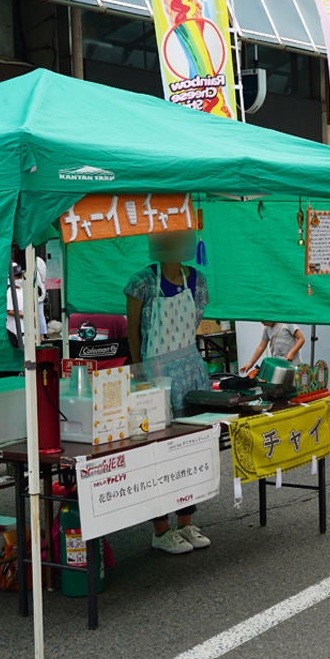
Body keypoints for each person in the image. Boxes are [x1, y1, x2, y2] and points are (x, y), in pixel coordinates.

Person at [125, 230, 212, 554]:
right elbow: (133, 331)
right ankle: (160, 529)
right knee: (158, 453)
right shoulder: (141, 283)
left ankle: (186, 522)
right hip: (156, 373)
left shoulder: (198, 280)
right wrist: (140, 374)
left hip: (190, 371)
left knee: (192, 449)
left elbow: (196, 321)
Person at [241, 322, 306, 374]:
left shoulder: (287, 323)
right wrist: (251, 363)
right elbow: (261, 347)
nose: (262, 323)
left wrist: (292, 353)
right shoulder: (266, 329)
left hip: (294, 365)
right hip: (279, 367)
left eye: (263, 320)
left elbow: (301, 339)